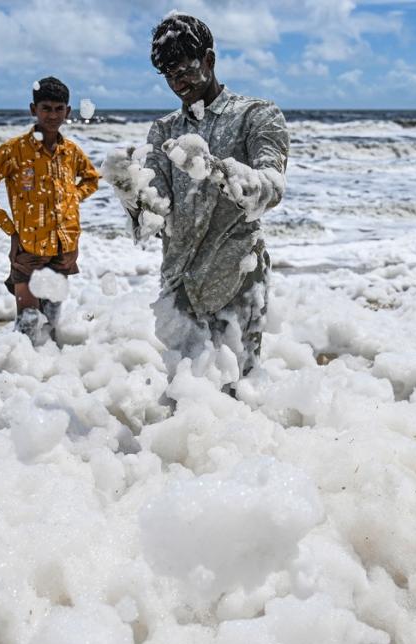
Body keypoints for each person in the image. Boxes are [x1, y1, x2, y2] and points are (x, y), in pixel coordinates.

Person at [108, 13, 289, 388]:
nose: (179, 83)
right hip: (179, 285)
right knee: (186, 397)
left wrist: (219, 171)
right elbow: (155, 214)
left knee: (240, 391)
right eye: (170, 76)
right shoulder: (164, 130)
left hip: (236, 276)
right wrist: (129, 190)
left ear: (209, 59)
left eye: (186, 70)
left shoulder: (256, 115)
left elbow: (271, 187)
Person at [0, 76, 100, 343]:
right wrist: (11, 229)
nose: (52, 115)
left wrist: (72, 198)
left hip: (65, 247)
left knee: (51, 322)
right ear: (33, 110)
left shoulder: (71, 152)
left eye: (58, 109)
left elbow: (92, 179)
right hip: (28, 247)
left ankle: (47, 377)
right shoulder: (13, 151)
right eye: (46, 108)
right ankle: (18, 376)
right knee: (28, 322)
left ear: (68, 111)